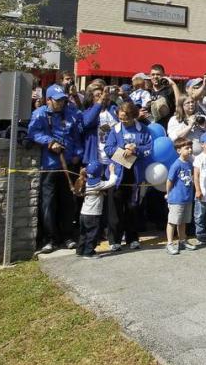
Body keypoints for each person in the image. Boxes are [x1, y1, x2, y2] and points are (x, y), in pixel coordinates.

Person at [28, 84, 83, 252]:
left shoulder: (71, 113)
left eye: (63, 100)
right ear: (48, 100)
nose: (61, 104)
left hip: (68, 165)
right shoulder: (40, 114)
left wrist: (77, 153)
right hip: (50, 165)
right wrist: (49, 142)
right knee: (48, 203)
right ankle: (49, 239)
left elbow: (76, 135)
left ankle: (67, 236)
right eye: (57, 101)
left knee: (68, 202)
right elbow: (33, 133)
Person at [103, 102, 153, 251]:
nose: (122, 121)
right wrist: (122, 150)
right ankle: (115, 240)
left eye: (125, 118)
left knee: (132, 208)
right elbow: (108, 149)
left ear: (133, 116)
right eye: (120, 118)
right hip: (117, 175)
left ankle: (132, 238)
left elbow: (149, 149)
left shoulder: (143, 129)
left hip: (135, 175)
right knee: (115, 210)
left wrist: (135, 150)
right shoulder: (115, 130)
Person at [76, 161, 116, 259]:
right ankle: (88, 252)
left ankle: (80, 250)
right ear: (100, 173)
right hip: (93, 214)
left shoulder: (85, 181)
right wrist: (112, 172)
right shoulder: (98, 184)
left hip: (83, 214)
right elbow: (112, 182)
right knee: (92, 234)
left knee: (83, 233)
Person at [164, 139, 195, 255]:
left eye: (190, 147)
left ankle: (182, 241)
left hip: (187, 198)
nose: (190, 150)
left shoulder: (189, 163)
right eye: (187, 148)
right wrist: (168, 194)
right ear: (178, 150)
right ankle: (170, 243)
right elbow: (169, 181)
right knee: (172, 221)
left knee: (183, 221)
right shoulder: (176, 165)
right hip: (177, 199)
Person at [80, 85, 118, 167]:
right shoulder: (87, 112)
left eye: (103, 94)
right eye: (98, 95)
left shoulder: (113, 109)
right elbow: (87, 122)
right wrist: (101, 100)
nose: (102, 96)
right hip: (96, 159)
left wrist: (124, 96)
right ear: (92, 98)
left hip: (115, 159)